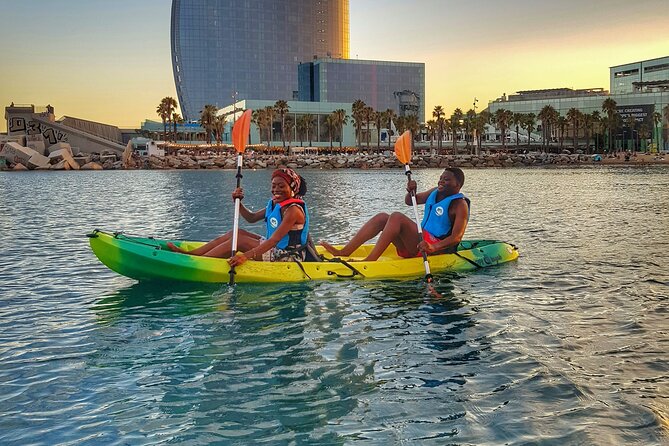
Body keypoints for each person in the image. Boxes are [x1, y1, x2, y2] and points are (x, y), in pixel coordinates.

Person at [167, 167, 310, 267]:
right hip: (277, 248)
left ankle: (197, 263)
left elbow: (274, 240)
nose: (276, 190)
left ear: (292, 189)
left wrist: (245, 256)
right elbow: (251, 218)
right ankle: (191, 254)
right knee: (236, 233)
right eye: (273, 186)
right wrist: (238, 202)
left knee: (240, 240)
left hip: (290, 255)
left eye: (281, 186)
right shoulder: (275, 204)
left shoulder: (293, 210)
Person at [321, 167, 470, 262]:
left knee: (397, 217)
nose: (441, 181)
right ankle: (345, 251)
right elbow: (410, 201)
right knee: (382, 218)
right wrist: (411, 190)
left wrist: (434, 247)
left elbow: (457, 237)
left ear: (457, 184)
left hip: (432, 249)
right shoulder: (435, 192)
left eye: (447, 179)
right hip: (418, 242)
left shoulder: (460, 205)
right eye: (441, 178)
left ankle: (370, 260)